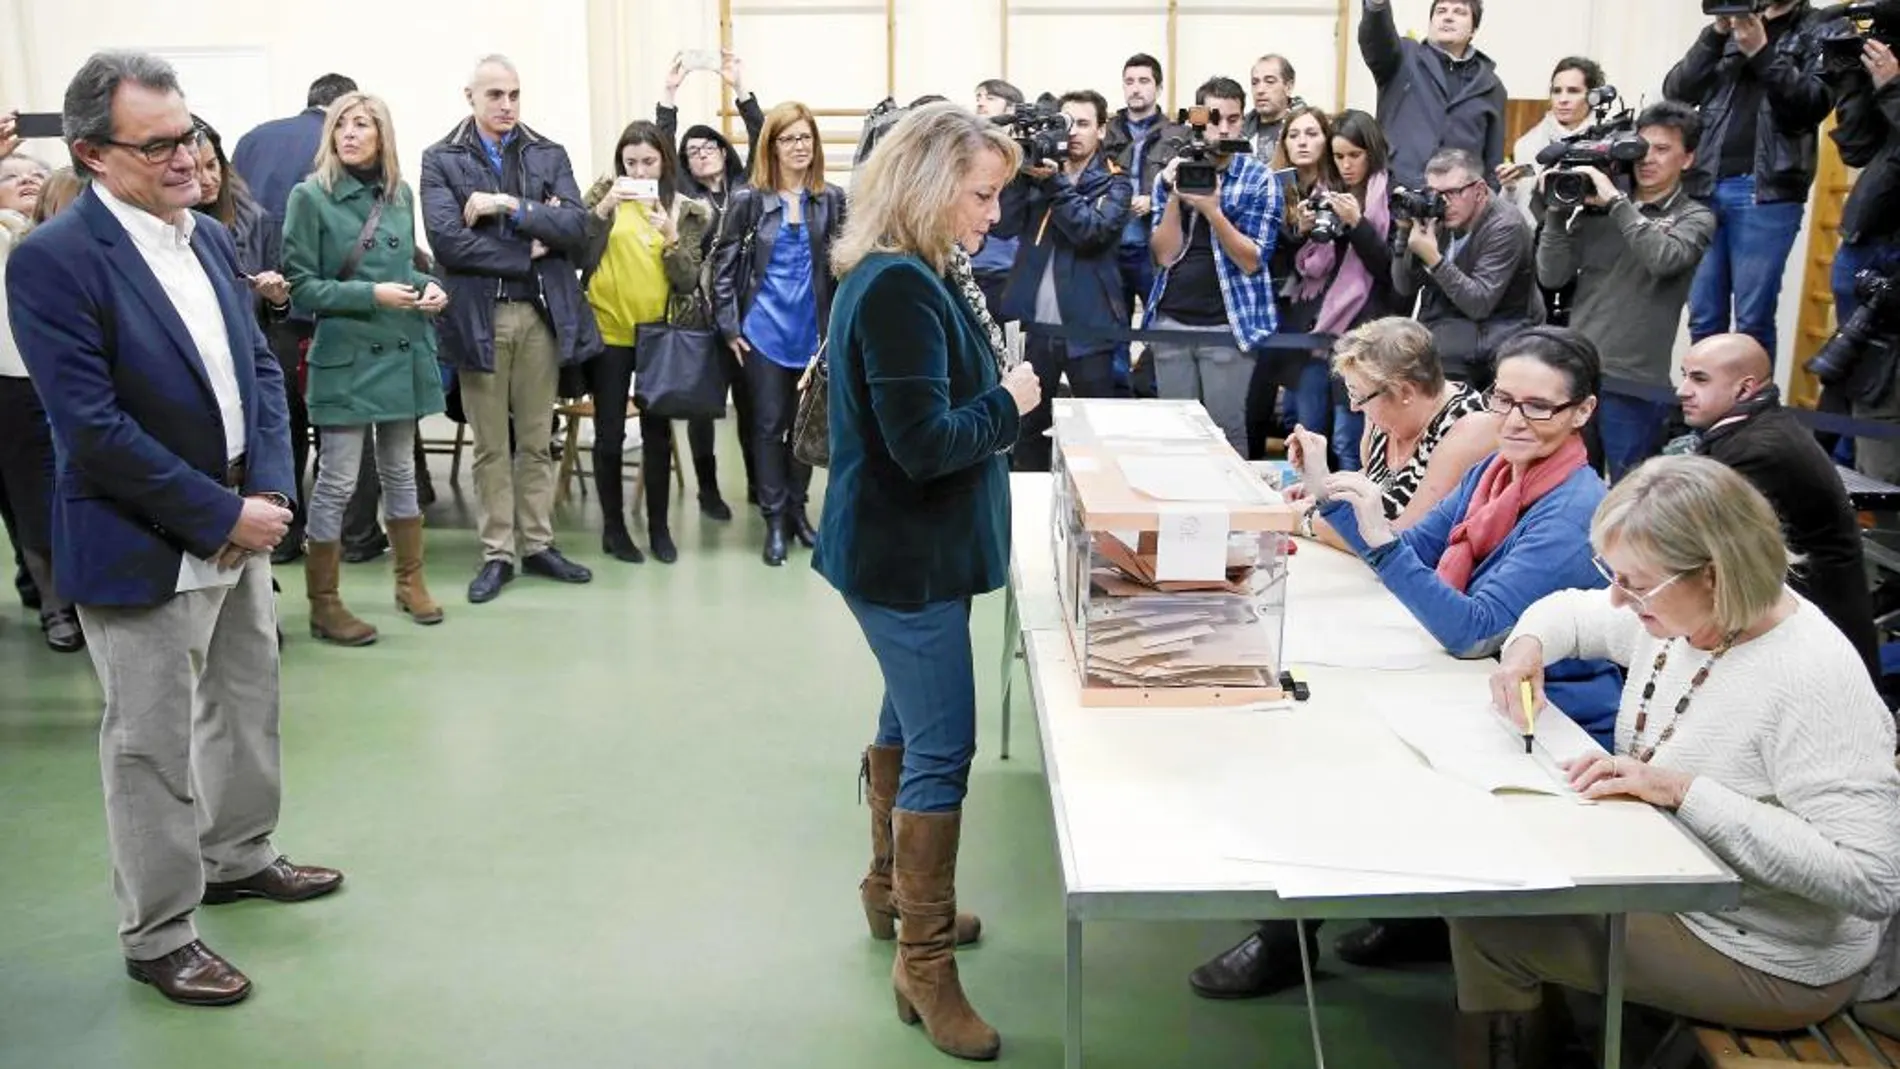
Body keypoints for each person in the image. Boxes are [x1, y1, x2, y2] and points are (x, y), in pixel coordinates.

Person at [8, 51, 343, 1006]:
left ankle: (238, 854)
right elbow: (93, 432)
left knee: (245, 698)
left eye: (191, 136)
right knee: (149, 741)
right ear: (92, 155)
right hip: (141, 530)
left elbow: (261, 372)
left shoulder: (203, 236)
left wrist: (269, 492)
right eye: (157, 146)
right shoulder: (52, 262)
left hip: (242, 515)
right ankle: (159, 933)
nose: (189, 159)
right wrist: (219, 512)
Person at [1458, 455, 1900, 1066]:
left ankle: (1534, 1040)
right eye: (1612, 574)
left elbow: (1871, 879)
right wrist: (1526, 649)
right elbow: (1568, 611)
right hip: (1681, 886)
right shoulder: (1683, 616)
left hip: (1773, 953)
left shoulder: (1811, 679)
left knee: (1490, 924)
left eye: (1635, 582)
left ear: (1714, 575)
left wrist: (1680, 790)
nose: (1618, 598)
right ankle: (1550, 1033)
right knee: (1496, 873)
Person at [815, 102, 1042, 1063]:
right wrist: (1008, 403)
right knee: (944, 745)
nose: (995, 215)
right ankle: (927, 961)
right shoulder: (901, 287)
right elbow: (920, 446)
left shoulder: (910, 271)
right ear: (928, 184)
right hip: (905, 559)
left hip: (906, 552)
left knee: (907, 722)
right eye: (983, 194)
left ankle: (888, 892)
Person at [1298, 326, 1627, 977]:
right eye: (1502, 400)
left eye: (1538, 406)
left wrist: (1373, 533)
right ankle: (1411, 916)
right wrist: (1329, 493)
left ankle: (1308, 932)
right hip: (1490, 692)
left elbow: (1472, 629)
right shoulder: (1494, 471)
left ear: (1582, 411)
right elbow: (1417, 547)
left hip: (1557, 723)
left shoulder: (1572, 509)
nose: (1511, 419)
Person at [421, 55, 599, 603]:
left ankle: (539, 544)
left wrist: (507, 205)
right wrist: (529, 248)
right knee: (492, 447)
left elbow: (576, 225)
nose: (506, 105)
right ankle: (498, 552)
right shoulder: (441, 160)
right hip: (478, 318)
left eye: (514, 94)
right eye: (494, 94)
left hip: (539, 319)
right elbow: (450, 244)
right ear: (469, 96)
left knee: (536, 442)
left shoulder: (548, 152)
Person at [283, 92, 449, 644]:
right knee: (336, 481)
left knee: (401, 472)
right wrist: (372, 294)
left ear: (382, 135)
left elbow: (405, 266)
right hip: (347, 354)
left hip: (401, 345)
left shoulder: (399, 194)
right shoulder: (310, 196)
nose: (349, 134)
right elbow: (302, 285)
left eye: (362, 125)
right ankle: (325, 604)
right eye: (340, 126)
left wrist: (430, 290)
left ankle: (410, 582)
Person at [1671, 334, 1881, 678]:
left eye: (1699, 379)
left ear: (1744, 389)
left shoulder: (1759, 451)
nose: (1682, 389)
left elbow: (1691, 541)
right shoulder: (1750, 432)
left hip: (1816, 649)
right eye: (1685, 374)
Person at [1535, 100, 1715, 480]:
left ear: (1687, 158)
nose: (1648, 159)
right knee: (1567, 485)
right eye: (1643, 148)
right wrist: (1555, 210)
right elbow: (1552, 276)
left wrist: (1617, 202)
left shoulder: (1695, 216)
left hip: (1636, 384)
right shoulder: (1596, 210)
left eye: (1663, 150)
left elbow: (1665, 258)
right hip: (1580, 375)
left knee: (1629, 492)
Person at [231, 73, 361, 563]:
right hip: (333, 306)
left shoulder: (252, 141)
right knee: (341, 428)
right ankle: (346, 537)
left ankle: (283, 536)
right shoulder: (347, 143)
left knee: (280, 426)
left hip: (268, 309)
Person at [710, 101, 847, 566]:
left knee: (806, 428)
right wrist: (729, 327)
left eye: (805, 137)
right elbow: (724, 266)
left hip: (814, 333)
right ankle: (772, 520)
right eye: (788, 138)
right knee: (769, 427)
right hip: (763, 332)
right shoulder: (749, 199)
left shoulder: (832, 199)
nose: (799, 146)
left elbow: (845, 268)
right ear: (771, 146)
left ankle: (797, 512)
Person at [1664, 1, 1839, 362]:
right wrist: (1716, 34)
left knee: (1752, 323)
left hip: (1766, 190)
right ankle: (1704, 412)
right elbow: (1678, 91)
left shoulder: (1821, 26)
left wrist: (1761, 52)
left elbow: (1810, 106)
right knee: (1703, 317)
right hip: (1703, 186)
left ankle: (1753, 416)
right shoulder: (1729, 25)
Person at [581, 121, 714, 565]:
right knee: (610, 435)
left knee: (658, 434)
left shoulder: (686, 209)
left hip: (660, 334)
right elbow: (575, 251)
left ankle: (659, 528)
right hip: (608, 330)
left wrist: (671, 237)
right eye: (630, 161)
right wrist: (602, 212)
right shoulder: (602, 198)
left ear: (665, 162)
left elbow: (687, 279)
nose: (638, 170)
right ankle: (614, 529)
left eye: (648, 162)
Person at [995, 89, 1132, 472]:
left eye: (1084, 124)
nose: (1073, 132)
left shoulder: (1116, 183)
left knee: (1097, 432)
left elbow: (1093, 232)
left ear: (1102, 130)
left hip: (1089, 327)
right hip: (1034, 329)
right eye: (1065, 123)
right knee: (1027, 430)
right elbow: (1003, 226)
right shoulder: (1038, 173)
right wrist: (1019, 178)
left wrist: (1054, 185)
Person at [1146, 76, 1282, 455]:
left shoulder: (1259, 178)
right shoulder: (1172, 173)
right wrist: (1175, 197)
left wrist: (1212, 210)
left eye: (1234, 119)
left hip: (1230, 323)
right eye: (1215, 118)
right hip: (1171, 319)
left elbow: (1253, 259)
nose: (1224, 128)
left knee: (1225, 431)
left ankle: (1231, 514)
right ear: (1198, 120)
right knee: (1174, 436)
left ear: (1244, 122)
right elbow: (1163, 255)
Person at [0, 147, 82, 652]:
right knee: (32, 503)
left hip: (65, 383)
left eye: (37, 174)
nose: (27, 180)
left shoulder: (67, 242)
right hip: (14, 384)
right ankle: (56, 606)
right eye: (11, 175)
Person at [1395, 148, 1543, 385]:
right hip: (1451, 338)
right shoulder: (1438, 215)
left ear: (1480, 190)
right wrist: (1404, 235)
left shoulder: (1506, 226)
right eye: (1434, 193)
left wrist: (1434, 259)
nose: (1442, 202)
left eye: (1452, 192)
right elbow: (1404, 287)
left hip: (1496, 345)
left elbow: (1479, 304)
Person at [677, 118, 758, 513]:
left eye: (708, 146)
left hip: (743, 316)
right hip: (700, 318)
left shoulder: (745, 190)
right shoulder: (685, 199)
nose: (702, 154)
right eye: (692, 151)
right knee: (703, 407)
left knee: (750, 403)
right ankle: (707, 490)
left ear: (724, 151)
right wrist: (669, 96)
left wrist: (742, 91)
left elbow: (762, 135)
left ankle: (758, 482)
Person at [1829, 36, 1900, 482]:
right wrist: (1853, 82)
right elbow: (1855, 148)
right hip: (1865, 239)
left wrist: (1893, 89)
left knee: (1882, 395)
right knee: (1853, 383)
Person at [1262, 105, 1346, 447]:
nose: (1303, 142)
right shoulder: (1275, 188)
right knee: (1290, 417)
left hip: (1324, 314)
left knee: (1311, 421)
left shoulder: (1339, 190)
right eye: (1294, 135)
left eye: (1312, 134)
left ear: (1326, 140)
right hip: (1279, 311)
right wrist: (1294, 232)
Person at [1103, 54, 1185, 399]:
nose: (1135, 89)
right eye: (1129, 81)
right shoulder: (1106, 130)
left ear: (1158, 86)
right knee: (1113, 329)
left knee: (1160, 326)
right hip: (1110, 245)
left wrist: (1155, 199)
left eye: (1144, 81)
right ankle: (1120, 394)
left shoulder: (1176, 133)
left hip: (1153, 247)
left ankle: (1150, 392)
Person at [1360, 0, 1506, 188]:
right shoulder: (1403, 57)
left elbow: (1493, 163)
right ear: (1431, 23)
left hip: (1460, 202)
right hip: (1397, 193)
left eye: (1459, 12)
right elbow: (1376, 38)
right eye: (1441, 11)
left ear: (1474, 29)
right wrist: (1377, 5)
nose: (1448, 17)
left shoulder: (1491, 86)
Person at [1501, 56, 1606, 221]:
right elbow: (1516, 211)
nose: (1562, 100)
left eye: (1573, 91)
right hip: (1536, 238)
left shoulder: (1606, 144)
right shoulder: (1527, 144)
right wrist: (1510, 188)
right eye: (1557, 91)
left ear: (1593, 96)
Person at [971, 78, 1024, 323]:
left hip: (1007, 272)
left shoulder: (1025, 156)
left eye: (990, 98)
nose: (982, 103)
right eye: (979, 97)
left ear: (1011, 109)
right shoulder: (968, 151)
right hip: (969, 267)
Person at [1244, 54, 1297, 160]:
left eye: (1269, 82)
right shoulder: (1241, 128)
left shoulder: (1304, 129)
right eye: (1255, 83)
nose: (1260, 90)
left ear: (1288, 87)